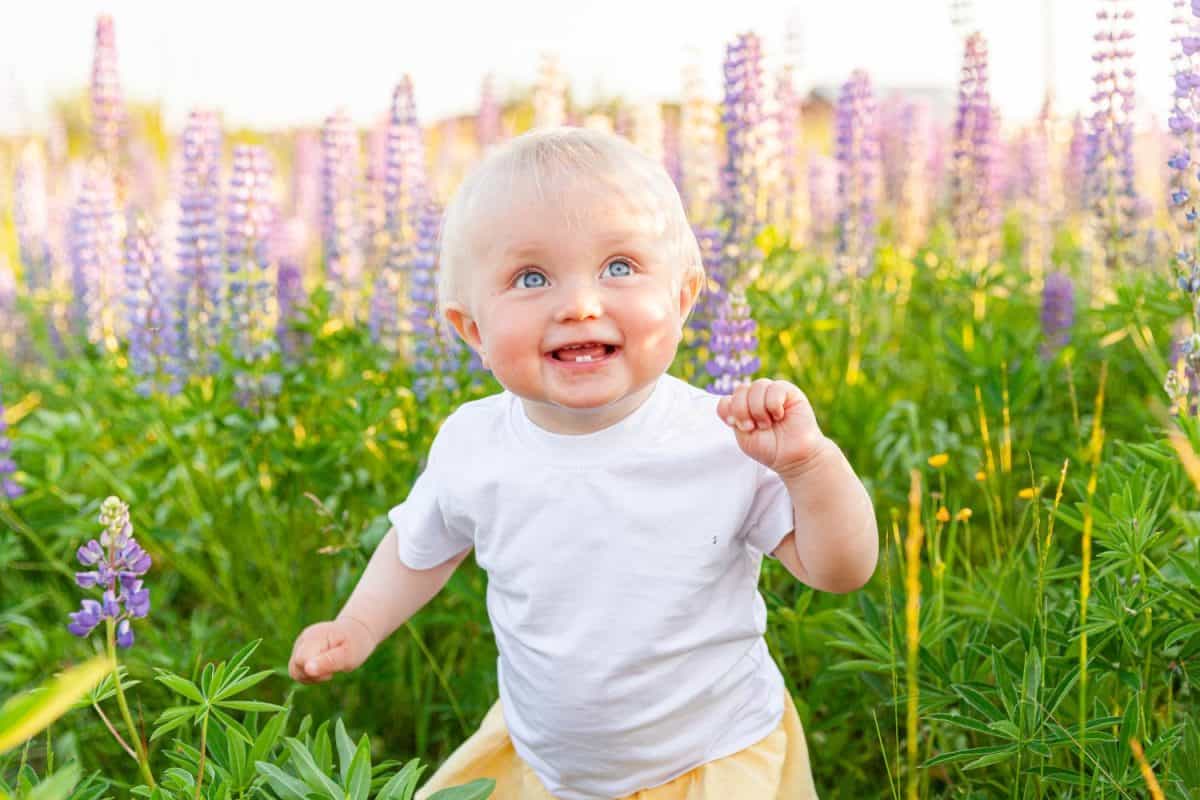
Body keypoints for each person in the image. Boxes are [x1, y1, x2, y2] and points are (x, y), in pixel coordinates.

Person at [288, 127, 879, 800]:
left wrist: (809, 467)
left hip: (709, 760)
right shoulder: (473, 443)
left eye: (619, 266)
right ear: (473, 330)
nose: (578, 304)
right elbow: (418, 547)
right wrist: (358, 625)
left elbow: (841, 571)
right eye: (531, 278)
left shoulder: (723, 437)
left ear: (684, 299)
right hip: (549, 768)